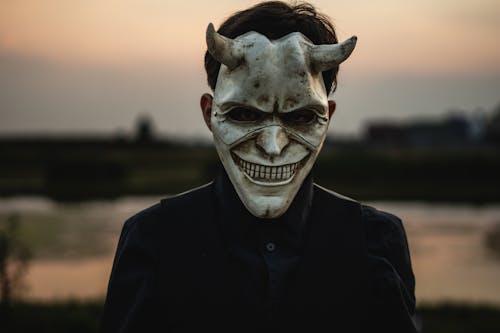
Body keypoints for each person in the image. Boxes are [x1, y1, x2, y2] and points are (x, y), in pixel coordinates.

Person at [100, 2, 417, 332]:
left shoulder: (374, 242)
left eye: (300, 117)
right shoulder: (153, 239)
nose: (273, 145)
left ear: (329, 117)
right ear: (210, 114)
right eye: (245, 114)